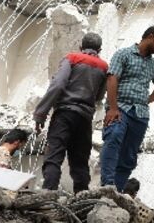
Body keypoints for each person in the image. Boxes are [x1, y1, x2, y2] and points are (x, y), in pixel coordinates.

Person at [34, 32, 108, 192]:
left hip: (65, 114)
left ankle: (48, 194)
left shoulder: (72, 58)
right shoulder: (104, 67)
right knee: (80, 162)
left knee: (54, 155)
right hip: (85, 118)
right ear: (99, 49)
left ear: (81, 47)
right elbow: (100, 96)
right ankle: (81, 200)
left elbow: (58, 84)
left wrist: (40, 113)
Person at [100, 26, 154, 190]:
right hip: (120, 108)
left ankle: (118, 189)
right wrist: (113, 108)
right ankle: (107, 185)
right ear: (150, 37)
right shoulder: (123, 54)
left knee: (129, 156)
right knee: (113, 137)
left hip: (140, 115)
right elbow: (112, 79)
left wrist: (147, 100)